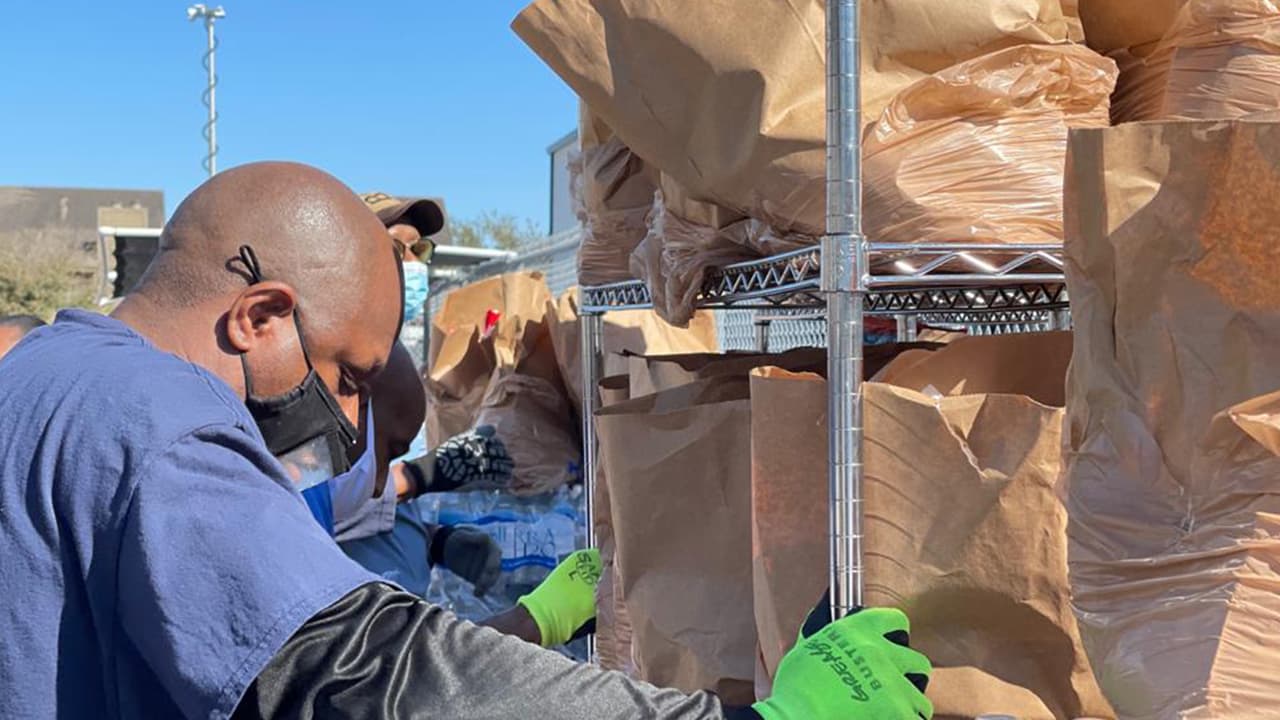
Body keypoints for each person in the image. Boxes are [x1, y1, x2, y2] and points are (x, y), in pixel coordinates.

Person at [0, 161, 933, 719]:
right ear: (261, 317)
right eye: (347, 377)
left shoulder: (48, 377)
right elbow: (366, 674)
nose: (347, 423)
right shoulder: (157, 424)